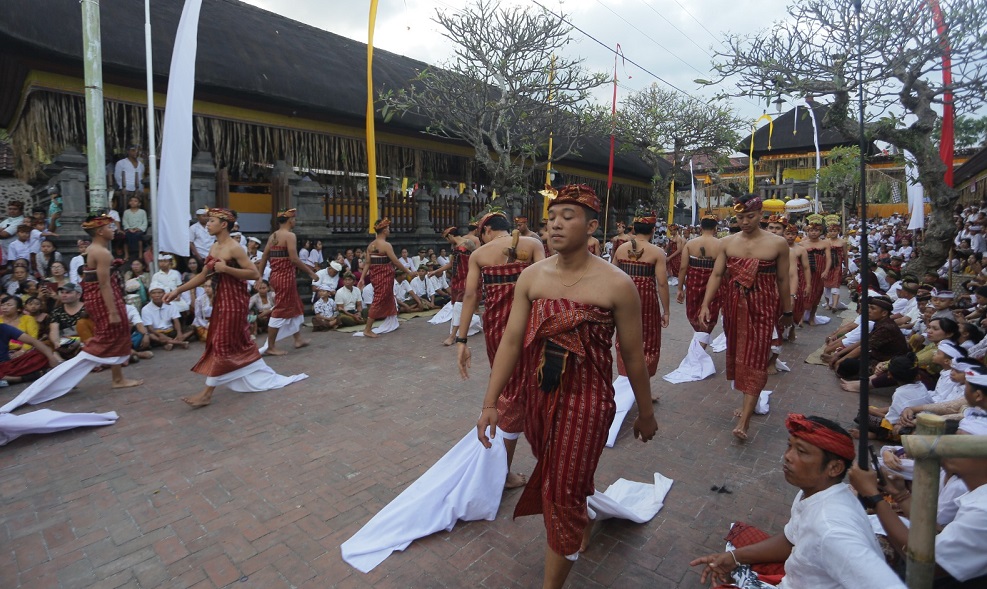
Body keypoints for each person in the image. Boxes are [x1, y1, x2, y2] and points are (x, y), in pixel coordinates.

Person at [476, 184, 657, 588]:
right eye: (551, 217)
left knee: (560, 492)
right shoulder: (531, 277)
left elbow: (633, 357)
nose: (555, 223)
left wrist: (645, 413)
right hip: (538, 395)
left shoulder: (617, 284)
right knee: (561, 475)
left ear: (593, 226)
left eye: (568, 216)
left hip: (588, 402)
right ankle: (581, 516)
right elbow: (509, 340)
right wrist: (491, 402)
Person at [690, 414, 906, 589]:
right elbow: (791, 538)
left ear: (834, 468)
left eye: (801, 451)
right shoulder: (816, 491)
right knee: (741, 541)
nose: (788, 456)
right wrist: (734, 557)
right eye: (789, 446)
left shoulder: (832, 531)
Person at [164, 208, 307, 407]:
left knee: (221, 342)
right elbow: (203, 275)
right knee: (231, 342)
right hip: (222, 299)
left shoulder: (234, 247)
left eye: (212, 220)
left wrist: (226, 269)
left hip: (235, 302)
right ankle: (255, 368)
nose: (208, 223)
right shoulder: (214, 247)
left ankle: (207, 393)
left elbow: (254, 274)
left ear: (224, 225)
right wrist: (178, 290)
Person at [850, 398, 987, 586]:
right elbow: (935, 528)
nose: (946, 445)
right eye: (953, 437)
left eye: (960, 442)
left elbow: (923, 561)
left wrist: (874, 496)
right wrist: (900, 494)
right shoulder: (975, 494)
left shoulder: (982, 510)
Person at [456, 209, 545, 488]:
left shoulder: (479, 255)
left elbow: (471, 296)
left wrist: (461, 340)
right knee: (525, 389)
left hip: (497, 329)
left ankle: (502, 468)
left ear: (485, 231)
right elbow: (545, 286)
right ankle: (503, 470)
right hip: (530, 326)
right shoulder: (533, 245)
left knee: (508, 387)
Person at [699, 194, 792, 441]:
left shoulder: (778, 244)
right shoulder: (727, 243)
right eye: (740, 217)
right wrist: (706, 304)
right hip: (733, 305)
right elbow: (717, 275)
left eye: (750, 216)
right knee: (740, 354)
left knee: (757, 356)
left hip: (763, 305)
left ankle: (745, 419)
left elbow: (782, 279)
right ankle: (747, 400)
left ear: (761, 215)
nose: (745, 222)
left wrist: (788, 310)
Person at [611, 211, 669, 396]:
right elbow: (661, 283)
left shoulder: (621, 249)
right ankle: (642, 390)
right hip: (647, 302)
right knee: (648, 341)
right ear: (653, 230)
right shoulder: (657, 252)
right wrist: (666, 310)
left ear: (634, 229)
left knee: (624, 339)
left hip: (622, 299)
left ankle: (629, 382)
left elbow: (612, 275)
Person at [256, 208, 319, 354]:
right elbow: (294, 259)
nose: (295, 222)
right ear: (290, 220)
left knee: (295, 306)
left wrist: (260, 276)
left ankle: (298, 338)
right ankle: (270, 346)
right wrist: (310, 272)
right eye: (294, 219)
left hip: (276, 277)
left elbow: (265, 257)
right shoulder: (290, 236)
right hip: (285, 278)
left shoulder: (274, 236)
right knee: (280, 310)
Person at [359, 218, 414, 338]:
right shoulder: (386, 245)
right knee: (378, 300)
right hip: (383, 276)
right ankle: (367, 329)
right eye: (388, 229)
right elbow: (396, 262)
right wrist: (409, 272)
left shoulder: (371, 245)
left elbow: (367, 263)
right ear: (384, 231)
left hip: (376, 276)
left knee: (389, 296)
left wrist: (362, 278)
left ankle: (392, 321)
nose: (389, 230)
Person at [677, 214, 722, 348]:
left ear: (701, 227)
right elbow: (722, 271)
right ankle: (700, 346)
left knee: (693, 312)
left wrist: (680, 288)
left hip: (694, 282)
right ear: (715, 228)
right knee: (710, 312)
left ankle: (698, 347)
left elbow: (683, 267)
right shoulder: (720, 245)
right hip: (713, 283)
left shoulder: (690, 244)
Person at [431, 224, 481, 345]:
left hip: (468, 278)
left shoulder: (468, 243)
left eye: (447, 238)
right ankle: (472, 325)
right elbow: (450, 264)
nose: (447, 241)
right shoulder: (454, 247)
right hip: (457, 279)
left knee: (459, 306)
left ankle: (453, 336)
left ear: (451, 235)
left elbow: (477, 258)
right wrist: (435, 271)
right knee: (458, 306)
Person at [801, 213, 832, 324]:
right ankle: (800, 317)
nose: (813, 233)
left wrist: (826, 271)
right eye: (811, 230)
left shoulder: (825, 243)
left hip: (819, 271)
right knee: (804, 292)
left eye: (816, 230)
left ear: (820, 232)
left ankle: (812, 316)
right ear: (807, 231)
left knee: (817, 293)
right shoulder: (802, 243)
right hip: (805, 271)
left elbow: (828, 258)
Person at [784, 223, 812, 339]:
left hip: (797, 281)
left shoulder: (801, 250)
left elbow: (806, 268)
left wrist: (808, 284)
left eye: (793, 234)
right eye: (788, 234)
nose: (790, 236)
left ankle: (793, 327)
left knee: (796, 306)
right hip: (781, 279)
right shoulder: (778, 247)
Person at [122, 195, 148, 261]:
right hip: (129, 229)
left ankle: (140, 253)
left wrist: (139, 228)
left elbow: (145, 222)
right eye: (131, 201)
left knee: (138, 235)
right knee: (126, 236)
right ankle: (126, 254)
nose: (133, 202)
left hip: (139, 229)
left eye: (135, 201)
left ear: (139, 203)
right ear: (129, 202)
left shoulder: (142, 212)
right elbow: (124, 221)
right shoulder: (126, 212)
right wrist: (128, 228)